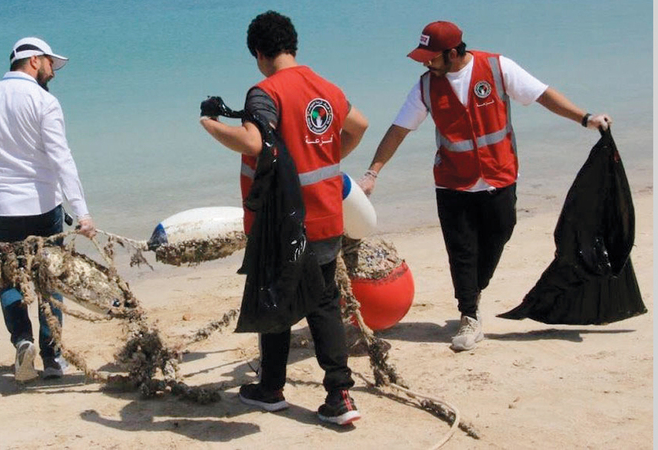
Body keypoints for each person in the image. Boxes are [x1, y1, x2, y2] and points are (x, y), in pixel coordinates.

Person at [357, 21, 612, 352]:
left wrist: (584, 117)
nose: (425, 63)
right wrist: (373, 172)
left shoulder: (497, 67)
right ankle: (469, 314)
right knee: (461, 251)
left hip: (499, 175)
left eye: (431, 57)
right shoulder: (425, 87)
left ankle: (473, 292)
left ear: (452, 53)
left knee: (500, 234)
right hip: (452, 183)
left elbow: (542, 95)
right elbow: (398, 130)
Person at [199, 11, 369, 426]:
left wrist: (211, 125)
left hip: (283, 221)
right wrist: (328, 157)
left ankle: (272, 388)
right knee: (324, 302)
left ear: (259, 52)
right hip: (327, 215)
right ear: (292, 45)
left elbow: (253, 141)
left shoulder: (265, 92)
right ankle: (340, 397)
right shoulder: (325, 88)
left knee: (273, 297)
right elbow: (359, 125)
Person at [0, 37, 97, 382]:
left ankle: (22, 340)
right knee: (49, 280)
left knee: (8, 279)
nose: (53, 72)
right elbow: (63, 160)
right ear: (33, 61)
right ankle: (52, 357)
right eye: (50, 64)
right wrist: (83, 212)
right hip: (44, 207)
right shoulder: (44, 102)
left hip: (1, 210)